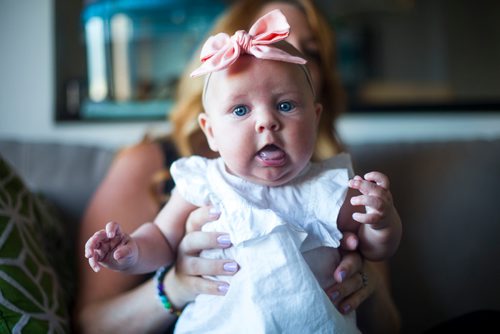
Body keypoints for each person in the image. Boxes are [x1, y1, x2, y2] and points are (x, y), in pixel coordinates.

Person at [75, 1, 401, 333]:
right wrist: (133, 255)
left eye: (285, 105)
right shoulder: (202, 181)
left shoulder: (331, 186)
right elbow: (160, 236)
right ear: (210, 130)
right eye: (241, 110)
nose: (267, 122)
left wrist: (381, 224)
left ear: (314, 113)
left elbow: (376, 248)